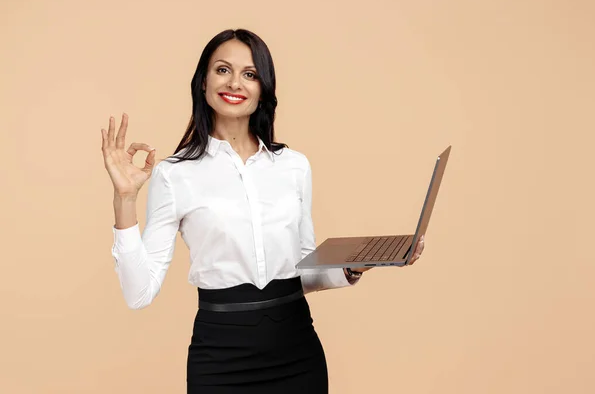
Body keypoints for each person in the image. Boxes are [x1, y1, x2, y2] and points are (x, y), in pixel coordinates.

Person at [100, 28, 425, 394]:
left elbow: (302, 269)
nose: (235, 83)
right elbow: (138, 292)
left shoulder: (293, 166)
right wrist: (125, 199)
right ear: (203, 82)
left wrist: (352, 266)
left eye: (250, 74)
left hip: (297, 351)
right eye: (223, 70)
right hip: (220, 356)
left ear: (263, 88)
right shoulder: (175, 174)